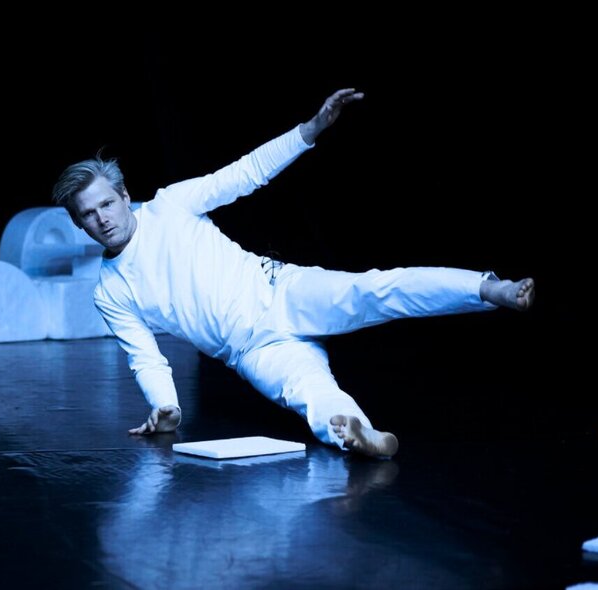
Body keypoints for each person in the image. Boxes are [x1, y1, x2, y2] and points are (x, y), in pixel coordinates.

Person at [51, 88, 534, 458]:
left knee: (376, 289)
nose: (103, 219)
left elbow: (244, 173)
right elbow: (146, 356)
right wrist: (167, 406)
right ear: (78, 223)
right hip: (251, 351)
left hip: (280, 291)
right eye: (88, 215)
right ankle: (361, 434)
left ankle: (489, 288)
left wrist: (311, 129)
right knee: (310, 393)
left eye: (106, 204)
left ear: (122, 193)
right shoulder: (110, 291)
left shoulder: (171, 205)